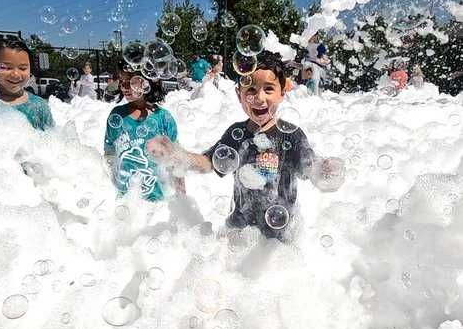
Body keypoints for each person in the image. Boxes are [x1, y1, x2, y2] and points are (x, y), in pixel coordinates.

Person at [147, 50, 343, 239]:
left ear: (282, 92)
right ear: (239, 94)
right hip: (240, 230)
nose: (259, 97)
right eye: (250, 89)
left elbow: (309, 166)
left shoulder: (291, 136)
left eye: (268, 89)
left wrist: (324, 170)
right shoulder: (236, 135)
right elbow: (208, 162)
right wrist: (178, 156)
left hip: (279, 238)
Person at [104, 69, 182, 201]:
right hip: (125, 199)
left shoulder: (163, 117)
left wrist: (181, 198)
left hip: (157, 199)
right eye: (122, 82)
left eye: (131, 82)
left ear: (147, 81)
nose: (124, 87)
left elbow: (177, 161)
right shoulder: (117, 116)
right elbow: (109, 154)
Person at [0, 34, 54, 131]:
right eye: (6, 67)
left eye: (22, 68)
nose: (16, 74)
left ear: (30, 69)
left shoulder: (39, 105)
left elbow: (52, 139)